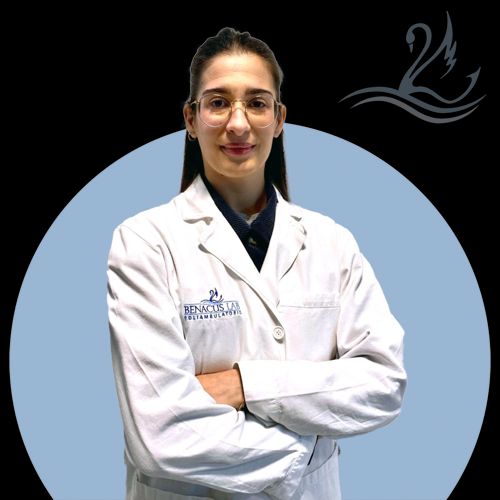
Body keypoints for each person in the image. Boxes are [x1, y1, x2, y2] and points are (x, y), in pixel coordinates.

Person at [107, 27, 407, 500]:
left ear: (279, 119)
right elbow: (160, 432)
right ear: (191, 119)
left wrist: (245, 385)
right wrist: (305, 447)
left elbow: (383, 385)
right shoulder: (145, 241)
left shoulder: (331, 242)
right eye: (218, 103)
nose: (238, 123)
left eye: (257, 103)